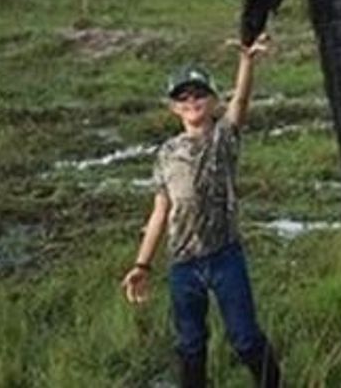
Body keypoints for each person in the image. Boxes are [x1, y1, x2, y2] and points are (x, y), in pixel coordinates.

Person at [121, 35, 282, 387]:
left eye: (199, 95)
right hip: (183, 265)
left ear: (212, 102)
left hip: (225, 256)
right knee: (190, 345)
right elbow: (160, 212)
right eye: (183, 97)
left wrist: (247, 62)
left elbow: (241, 101)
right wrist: (141, 264)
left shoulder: (224, 138)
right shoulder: (165, 153)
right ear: (174, 108)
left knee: (245, 339)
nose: (192, 101)